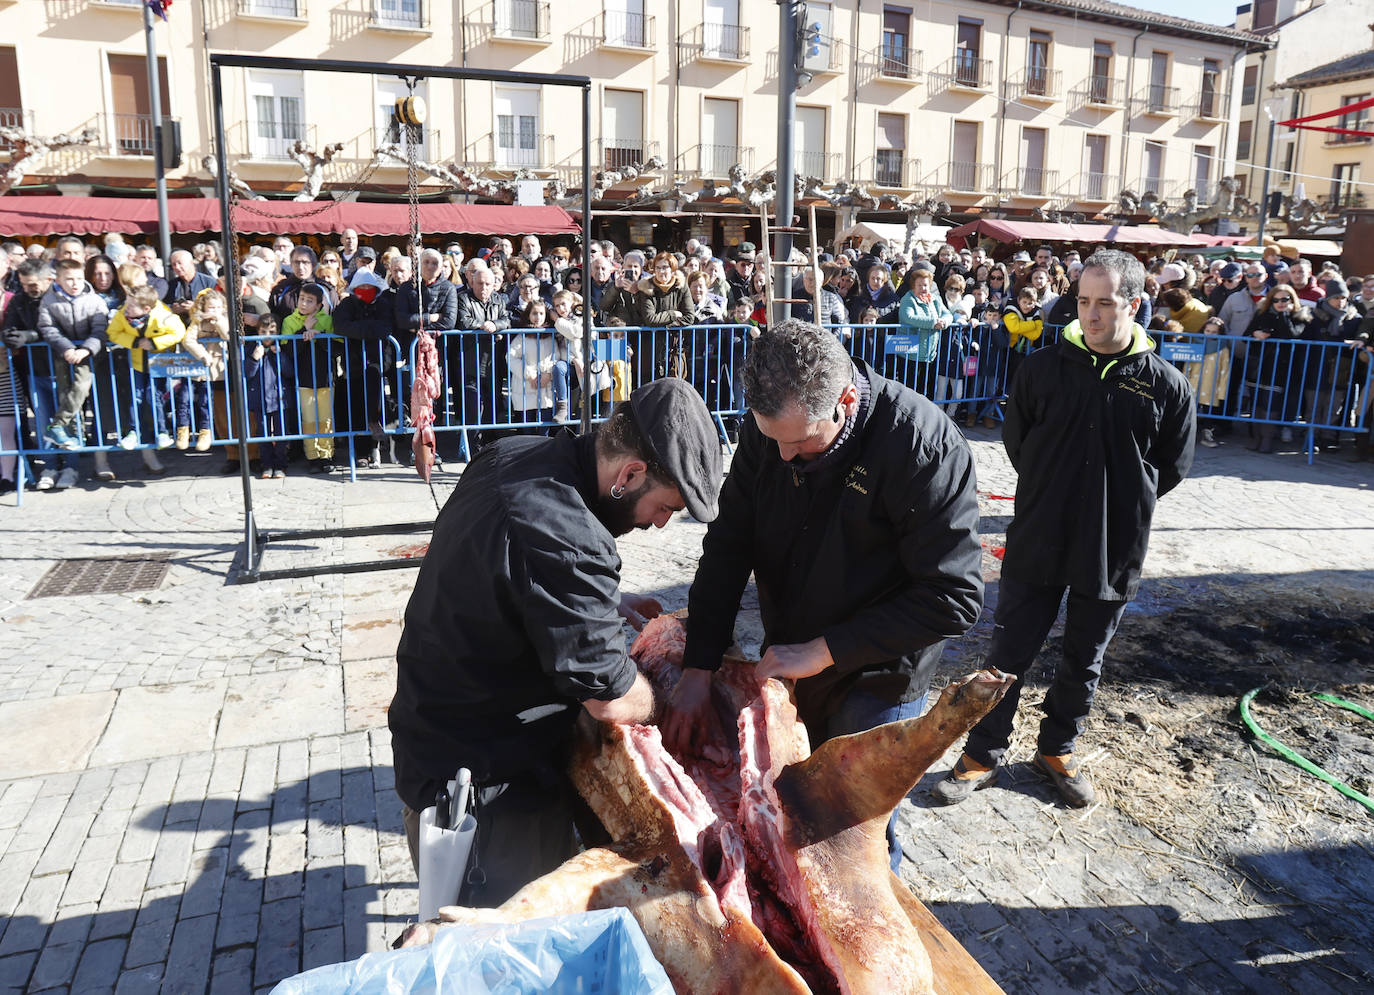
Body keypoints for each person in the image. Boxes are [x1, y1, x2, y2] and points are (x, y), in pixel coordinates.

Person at [663, 318, 984, 872]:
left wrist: (826, 649)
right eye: (773, 441)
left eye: (800, 442)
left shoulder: (920, 444)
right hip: (791, 658)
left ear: (846, 400)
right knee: (789, 811)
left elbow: (954, 595)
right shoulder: (771, 435)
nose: (783, 457)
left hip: (879, 673)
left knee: (853, 832)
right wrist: (698, 665)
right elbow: (727, 550)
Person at [389, 378, 722, 907]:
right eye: (666, 506)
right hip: (482, 785)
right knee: (503, 959)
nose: (662, 523)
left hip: (434, 731)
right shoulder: (569, 538)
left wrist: (598, 605)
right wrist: (664, 694)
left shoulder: (515, 453)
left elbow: (512, 568)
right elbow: (611, 698)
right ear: (629, 474)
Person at [931, 250, 1195, 809]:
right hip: (1039, 536)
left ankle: (1058, 749)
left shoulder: (1167, 385)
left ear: (1136, 303)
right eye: (1082, 302)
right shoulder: (1042, 369)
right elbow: (1020, 445)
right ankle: (983, 751)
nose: (1091, 315)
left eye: (1105, 303)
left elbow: (1170, 466)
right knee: (1008, 653)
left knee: (1085, 658)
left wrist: (1116, 502)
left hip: (1112, 546)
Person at [105, 285, 186, 470]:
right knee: (136, 396)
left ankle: (162, 432)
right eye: (127, 302)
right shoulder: (121, 315)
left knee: (153, 396)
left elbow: (178, 332)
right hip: (136, 363)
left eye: (131, 305)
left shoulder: (163, 316)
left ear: (146, 309)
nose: (126, 307)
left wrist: (154, 342)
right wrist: (134, 342)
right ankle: (134, 431)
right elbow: (113, 333)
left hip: (157, 363)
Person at [282, 283, 337, 472]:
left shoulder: (327, 320)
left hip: (325, 378)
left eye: (309, 301)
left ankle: (327, 455)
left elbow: (336, 348)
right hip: (303, 380)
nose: (304, 303)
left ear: (319, 305)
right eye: (302, 299)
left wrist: (319, 335)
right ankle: (312, 456)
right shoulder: (289, 321)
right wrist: (303, 332)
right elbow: (288, 350)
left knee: (326, 419)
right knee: (309, 420)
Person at [243, 315, 292, 479]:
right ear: (257, 331)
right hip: (259, 400)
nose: (267, 336)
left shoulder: (281, 347)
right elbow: (247, 373)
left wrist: (279, 356)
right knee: (262, 433)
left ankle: (280, 464)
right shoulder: (252, 348)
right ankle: (267, 464)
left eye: (271, 331)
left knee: (281, 433)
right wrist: (254, 359)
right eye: (263, 331)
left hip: (280, 399)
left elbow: (290, 372)